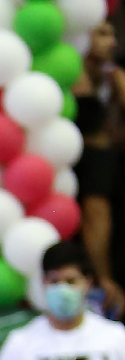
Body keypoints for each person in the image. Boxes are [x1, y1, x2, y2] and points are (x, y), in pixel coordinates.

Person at [73, 21, 125, 315]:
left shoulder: (112, 76)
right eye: (103, 34)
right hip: (87, 169)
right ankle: (103, 278)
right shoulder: (70, 72)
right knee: (97, 213)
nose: (112, 41)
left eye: (113, 33)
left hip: (113, 170)